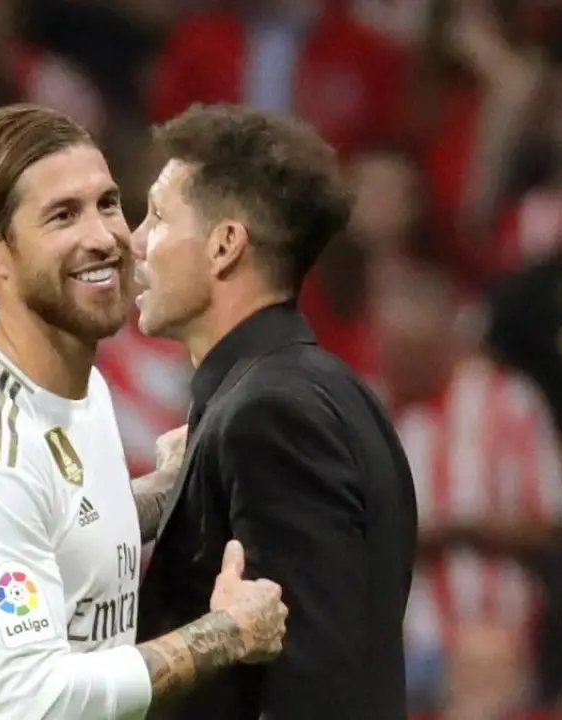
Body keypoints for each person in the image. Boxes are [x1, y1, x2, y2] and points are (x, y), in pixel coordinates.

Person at [0, 104, 290, 720]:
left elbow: (64, 527)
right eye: (63, 215)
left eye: (107, 204)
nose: (104, 237)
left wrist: (174, 484)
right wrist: (225, 633)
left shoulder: (80, 390)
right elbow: (38, 699)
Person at [132, 103, 418, 720]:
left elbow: (313, 688)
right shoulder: (321, 390)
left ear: (224, 245)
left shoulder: (270, 415)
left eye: (156, 217)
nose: (134, 242)